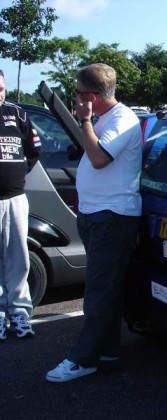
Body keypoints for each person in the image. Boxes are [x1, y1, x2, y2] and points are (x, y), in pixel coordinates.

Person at [46, 63, 142, 381]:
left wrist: (85, 121)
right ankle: (108, 353)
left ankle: (83, 358)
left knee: (99, 292)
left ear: (90, 96)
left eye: (77, 94)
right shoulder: (104, 119)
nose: (75, 99)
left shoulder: (122, 119)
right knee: (107, 290)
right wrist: (87, 122)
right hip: (96, 215)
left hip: (112, 217)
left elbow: (100, 159)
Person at [0, 70, 41, 340]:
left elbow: (34, 150)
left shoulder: (17, 114)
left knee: (18, 257)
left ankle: (19, 312)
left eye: (1, 89)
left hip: (15, 198)